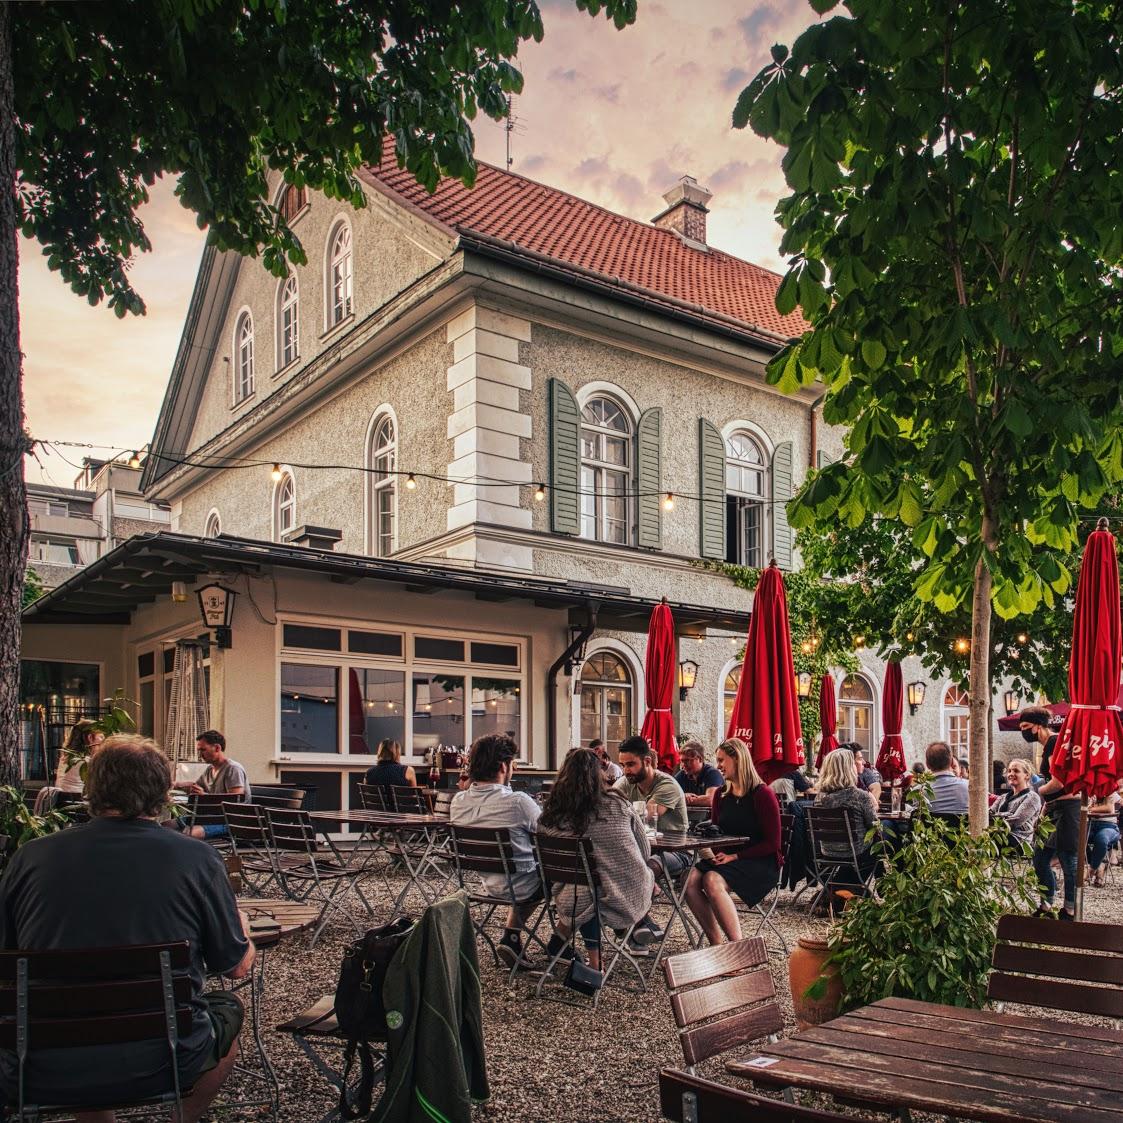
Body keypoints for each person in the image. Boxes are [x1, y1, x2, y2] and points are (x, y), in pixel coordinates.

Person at [0, 735, 254, 1120]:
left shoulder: (30, 858)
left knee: (82, 1013)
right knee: (227, 1014)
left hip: (38, 1057)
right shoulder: (197, 859)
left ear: (93, 787)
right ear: (163, 791)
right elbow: (234, 966)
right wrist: (243, 928)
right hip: (166, 1054)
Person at [538, 748, 654, 970]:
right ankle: (628, 933)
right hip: (621, 894)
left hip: (569, 895)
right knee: (594, 886)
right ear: (598, 773)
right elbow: (644, 850)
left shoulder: (550, 813)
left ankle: (563, 942)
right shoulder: (617, 804)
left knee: (585, 887)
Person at [450, 733, 541, 968]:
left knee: (527, 869)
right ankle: (562, 942)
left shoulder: (458, 801)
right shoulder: (518, 801)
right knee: (569, 875)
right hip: (524, 885)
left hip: (488, 883)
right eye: (512, 763)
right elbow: (550, 833)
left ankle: (512, 937)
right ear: (503, 766)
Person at [684, 738, 782, 945]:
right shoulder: (721, 795)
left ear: (738, 759)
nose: (717, 766)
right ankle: (717, 945)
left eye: (721, 760)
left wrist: (736, 856)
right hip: (728, 859)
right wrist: (707, 838)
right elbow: (719, 832)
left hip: (760, 861)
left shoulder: (763, 794)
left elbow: (773, 843)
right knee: (689, 880)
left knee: (711, 879)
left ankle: (738, 948)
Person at [1022, 706, 1080, 920]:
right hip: (1054, 807)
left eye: (1026, 727)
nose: (1024, 732)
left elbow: (1059, 782)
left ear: (1038, 725)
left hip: (1070, 806)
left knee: (1068, 860)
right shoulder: (1046, 747)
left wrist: (1037, 790)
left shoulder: (1056, 742)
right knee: (1039, 856)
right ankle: (1046, 904)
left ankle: (1070, 909)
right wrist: (1043, 809)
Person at [175, 730, 251, 840]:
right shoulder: (210, 769)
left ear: (217, 748)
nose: (200, 754)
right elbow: (195, 786)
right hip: (211, 818)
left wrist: (204, 796)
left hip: (230, 821)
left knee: (186, 835)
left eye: (203, 750)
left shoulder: (233, 769)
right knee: (165, 827)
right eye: (199, 750)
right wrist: (175, 784)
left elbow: (236, 801)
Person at [814, 748, 879, 874]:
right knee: (884, 836)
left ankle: (847, 886)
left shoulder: (819, 797)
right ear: (848, 769)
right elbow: (874, 826)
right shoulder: (859, 796)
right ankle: (882, 888)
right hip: (856, 852)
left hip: (827, 851)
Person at [989, 759, 1042, 851]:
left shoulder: (1032, 797)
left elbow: (1014, 822)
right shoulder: (1003, 797)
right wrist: (1007, 815)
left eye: (1016, 771)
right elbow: (988, 815)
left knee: (978, 841)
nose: (1011, 774)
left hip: (1019, 841)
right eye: (1009, 771)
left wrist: (996, 817)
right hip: (999, 835)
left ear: (1027, 775)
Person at [54, 719, 104, 794]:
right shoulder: (86, 762)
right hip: (81, 802)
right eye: (101, 737)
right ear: (90, 738)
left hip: (62, 801)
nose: (104, 740)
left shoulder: (67, 757)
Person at [921, 741, 969, 815]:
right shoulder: (970, 788)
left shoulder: (918, 792)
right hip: (963, 826)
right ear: (952, 762)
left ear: (927, 765)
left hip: (930, 826)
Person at [1086, 788, 1121, 887]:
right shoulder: (1088, 791)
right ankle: (1099, 865)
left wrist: (1089, 808)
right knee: (1077, 839)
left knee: (1101, 839)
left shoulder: (1109, 789)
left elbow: (1109, 808)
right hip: (1090, 824)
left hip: (1109, 825)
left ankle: (1092, 869)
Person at [673, 741, 723, 807]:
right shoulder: (682, 774)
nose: (683, 765)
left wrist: (682, 799)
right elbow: (668, 795)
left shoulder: (712, 773)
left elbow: (711, 800)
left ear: (700, 759)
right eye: (682, 761)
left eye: (687, 760)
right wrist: (683, 796)